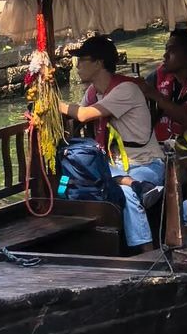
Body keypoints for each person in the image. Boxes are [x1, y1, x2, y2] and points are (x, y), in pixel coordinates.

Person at [59, 35, 165, 249]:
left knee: (125, 191)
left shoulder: (126, 90)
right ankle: (132, 185)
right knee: (82, 174)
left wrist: (53, 103)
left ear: (99, 63)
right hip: (116, 166)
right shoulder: (93, 92)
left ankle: (145, 249)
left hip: (146, 163)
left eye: (82, 60)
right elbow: (77, 117)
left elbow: (83, 115)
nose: (77, 66)